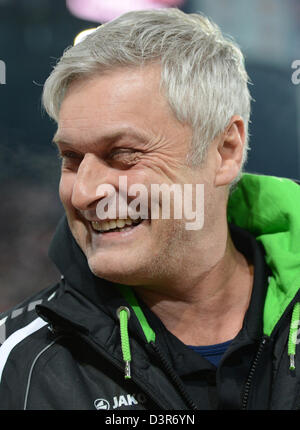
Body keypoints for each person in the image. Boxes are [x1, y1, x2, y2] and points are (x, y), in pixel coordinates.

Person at [1, 8, 300, 411]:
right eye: (71, 158)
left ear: (224, 150)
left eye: (123, 154)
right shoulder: (16, 366)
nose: (84, 192)